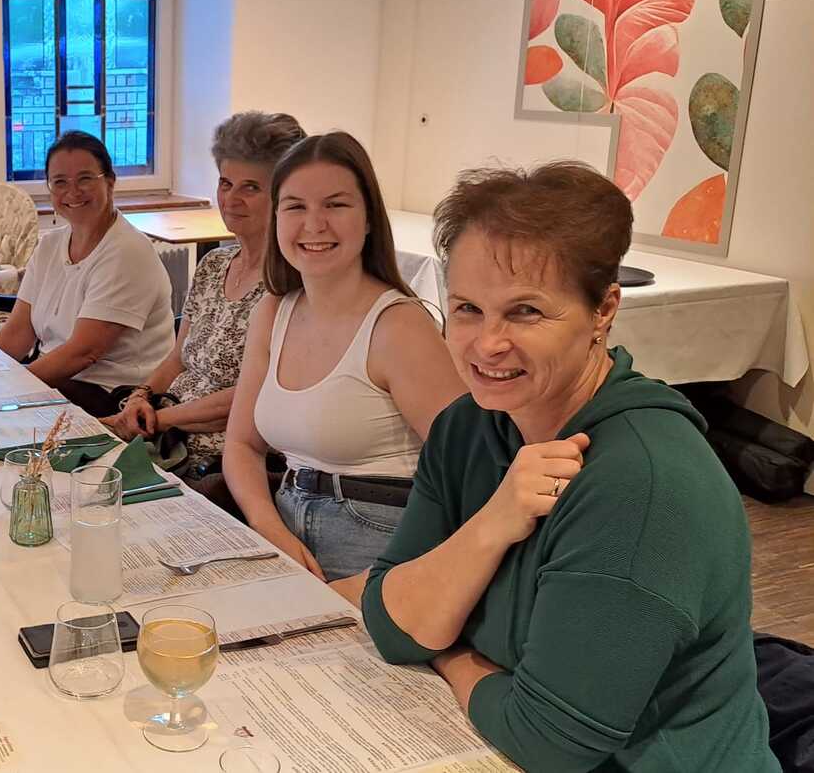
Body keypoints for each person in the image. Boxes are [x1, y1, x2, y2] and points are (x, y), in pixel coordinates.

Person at [361, 163, 776, 771]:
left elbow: (551, 741)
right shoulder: (469, 426)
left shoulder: (643, 482)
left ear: (603, 310)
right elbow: (389, 619)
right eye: (468, 308)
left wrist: (449, 656)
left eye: (526, 311)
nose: (487, 343)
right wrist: (494, 521)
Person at [222, 131, 464, 597]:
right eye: (295, 206)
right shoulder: (273, 311)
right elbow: (241, 444)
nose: (314, 224)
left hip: (380, 540)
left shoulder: (398, 326)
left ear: (369, 218)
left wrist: (380, 581)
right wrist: (268, 527)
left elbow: (468, 477)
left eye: (335, 205)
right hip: (285, 519)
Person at [101, 112, 304, 487]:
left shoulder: (293, 284)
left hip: (221, 462)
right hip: (164, 436)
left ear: (283, 197)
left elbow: (256, 398)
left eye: (251, 187)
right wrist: (141, 397)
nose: (231, 199)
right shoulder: (214, 264)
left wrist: (158, 419)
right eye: (226, 183)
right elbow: (177, 358)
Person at [0, 131, 175, 417]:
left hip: (113, 396)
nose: (73, 191)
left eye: (85, 179)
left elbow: (83, 353)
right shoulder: (50, 245)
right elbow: (17, 333)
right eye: (60, 182)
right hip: (60, 380)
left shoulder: (127, 251)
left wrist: (9, 389)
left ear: (110, 182)